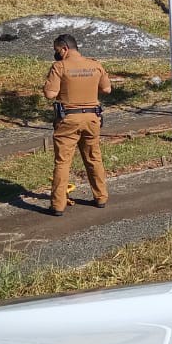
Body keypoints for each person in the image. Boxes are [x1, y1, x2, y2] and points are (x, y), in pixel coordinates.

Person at [43, 33, 111, 216]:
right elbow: (107, 89)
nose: (55, 54)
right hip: (92, 119)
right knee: (93, 158)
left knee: (63, 162)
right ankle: (101, 197)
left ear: (64, 48)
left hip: (68, 120)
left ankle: (58, 205)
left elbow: (50, 94)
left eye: (56, 50)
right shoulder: (95, 64)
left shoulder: (60, 66)